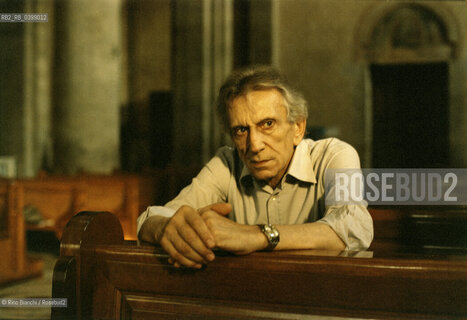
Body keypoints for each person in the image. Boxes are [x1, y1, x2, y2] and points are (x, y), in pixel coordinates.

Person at [137, 65, 373, 269]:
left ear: (298, 128)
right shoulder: (226, 163)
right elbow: (156, 216)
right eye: (241, 130)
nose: (254, 145)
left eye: (267, 124)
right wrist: (166, 230)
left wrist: (256, 235)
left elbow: (352, 227)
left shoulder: (336, 155)